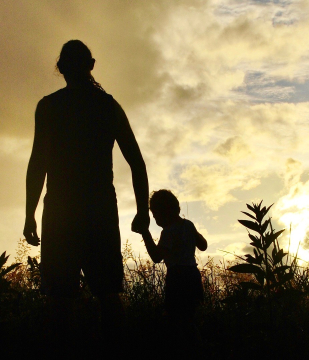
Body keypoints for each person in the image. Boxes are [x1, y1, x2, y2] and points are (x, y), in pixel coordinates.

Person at [23, 40, 149, 349]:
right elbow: (136, 161)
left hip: (61, 210)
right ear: (90, 65)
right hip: (100, 209)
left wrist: (30, 214)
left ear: (62, 68)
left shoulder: (50, 106)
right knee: (107, 294)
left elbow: (38, 162)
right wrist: (143, 211)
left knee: (59, 298)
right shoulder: (107, 106)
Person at [140, 189, 208, 353]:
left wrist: (145, 232)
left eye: (156, 215)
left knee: (176, 321)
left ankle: (186, 350)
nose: (155, 219)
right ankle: (198, 350)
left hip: (177, 278)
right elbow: (203, 245)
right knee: (189, 320)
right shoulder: (189, 225)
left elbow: (156, 257)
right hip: (192, 276)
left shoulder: (168, 232)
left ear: (165, 212)